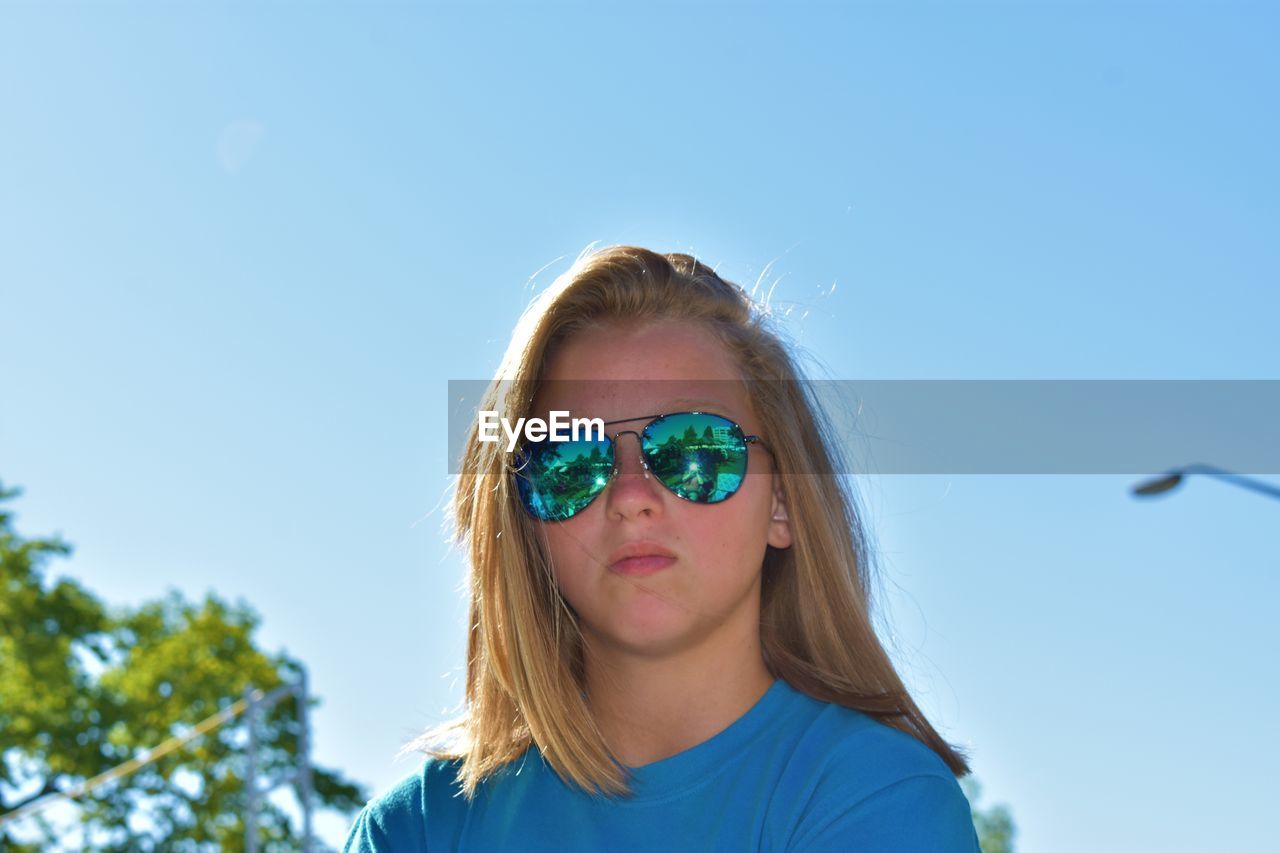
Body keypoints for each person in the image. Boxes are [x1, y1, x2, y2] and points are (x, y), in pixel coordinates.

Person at [344, 246, 981, 851]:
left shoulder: (879, 797)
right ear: (524, 525)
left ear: (782, 503)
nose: (630, 495)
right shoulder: (417, 831)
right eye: (569, 458)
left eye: (694, 449)